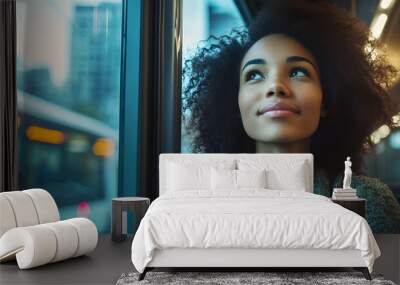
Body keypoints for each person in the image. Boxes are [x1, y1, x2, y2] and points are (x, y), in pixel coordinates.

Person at [182, 0, 400, 233]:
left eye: (298, 72)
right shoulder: (207, 201)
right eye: (254, 75)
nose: (276, 86)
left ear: (325, 100)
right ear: (235, 103)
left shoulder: (367, 201)